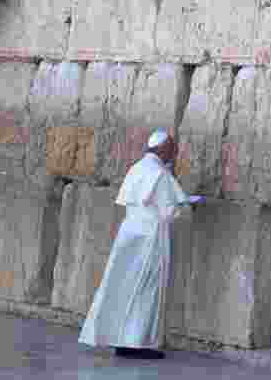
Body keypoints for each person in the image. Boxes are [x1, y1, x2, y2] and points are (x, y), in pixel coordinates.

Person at [78, 129, 204, 359]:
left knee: (125, 287)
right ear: (164, 149)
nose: (173, 156)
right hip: (150, 238)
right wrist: (188, 205)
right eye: (173, 151)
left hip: (129, 234)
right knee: (147, 290)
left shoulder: (136, 169)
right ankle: (138, 343)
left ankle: (122, 341)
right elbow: (170, 211)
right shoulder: (160, 174)